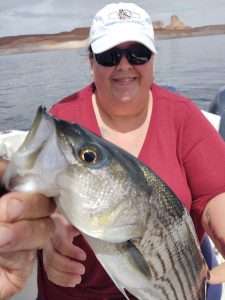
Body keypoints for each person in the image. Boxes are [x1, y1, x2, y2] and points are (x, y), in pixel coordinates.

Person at [0, 2, 225, 300]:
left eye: (138, 53)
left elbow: (215, 195)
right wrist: (50, 232)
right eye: (109, 56)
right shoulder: (65, 122)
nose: (124, 65)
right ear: (90, 62)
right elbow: (34, 193)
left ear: (153, 60)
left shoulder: (182, 115)